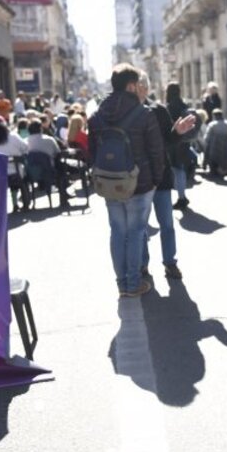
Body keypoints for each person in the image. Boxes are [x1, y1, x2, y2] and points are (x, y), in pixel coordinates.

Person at [88, 63, 164, 298]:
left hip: (109, 183)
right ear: (131, 86)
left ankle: (122, 283)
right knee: (136, 232)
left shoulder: (97, 116)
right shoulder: (144, 114)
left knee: (117, 232)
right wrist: (156, 179)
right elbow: (156, 151)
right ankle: (132, 283)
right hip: (139, 183)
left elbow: (92, 152)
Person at [137, 71, 196, 280]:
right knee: (141, 227)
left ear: (146, 89)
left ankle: (170, 263)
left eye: (141, 86)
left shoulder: (158, 110)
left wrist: (177, 132)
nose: (137, 90)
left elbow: (169, 141)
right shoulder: (127, 114)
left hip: (160, 178)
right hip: (139, 181)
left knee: (167, 225)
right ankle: (142, 265)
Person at [0, 119, 28, 211]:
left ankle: (1, 206)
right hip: (16, 173)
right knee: (21, 175)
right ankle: (17, 202)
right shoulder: (13, 137)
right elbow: (25, 148)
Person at [165, 82, 195, 210]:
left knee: (176, 169)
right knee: (180, 168)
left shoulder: (169, 107)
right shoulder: (184, 105)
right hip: (185, 142)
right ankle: (182, 196)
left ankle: (182, 198)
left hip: (175, 142)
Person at [204, 108, 227, 176]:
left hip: (215, 147)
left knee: (207, 148)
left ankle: (208, 167)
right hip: (226, 149)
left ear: (214, 116)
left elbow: (207, 137)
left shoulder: (212, 124)